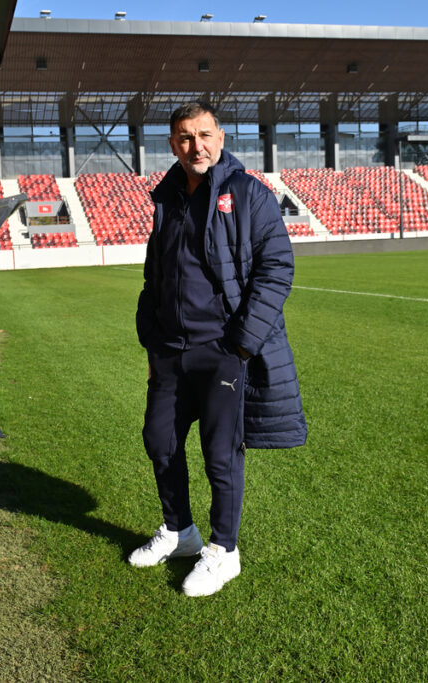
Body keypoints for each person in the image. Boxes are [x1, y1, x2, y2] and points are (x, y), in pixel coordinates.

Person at [132, 101, 307, 596]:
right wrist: (151, 338)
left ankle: (223, 550)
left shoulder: (251, 194)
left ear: (222, 137)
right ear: (172, 145)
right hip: (169, 350)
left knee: (220, 453)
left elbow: (277, 270)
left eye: (204, 135)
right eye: (185, 138)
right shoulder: (166, 198)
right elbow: (155, 275)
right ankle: (179, 531)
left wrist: (242, 345)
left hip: (224, 349)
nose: (196, 146)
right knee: (159, 440)